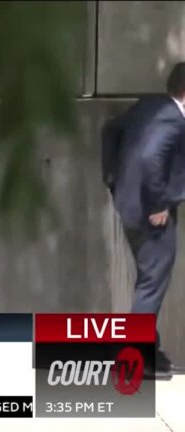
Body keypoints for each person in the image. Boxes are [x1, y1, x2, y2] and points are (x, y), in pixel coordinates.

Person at [102, 62, 185, 379]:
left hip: (130, 206)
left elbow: (109, 130)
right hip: (151, 213)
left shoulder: (149, 106)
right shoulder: (174, 121)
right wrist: (159, 203)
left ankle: (152, 351)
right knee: (151, 284)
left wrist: (112, 178)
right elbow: (152, 157)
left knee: (149, 280)